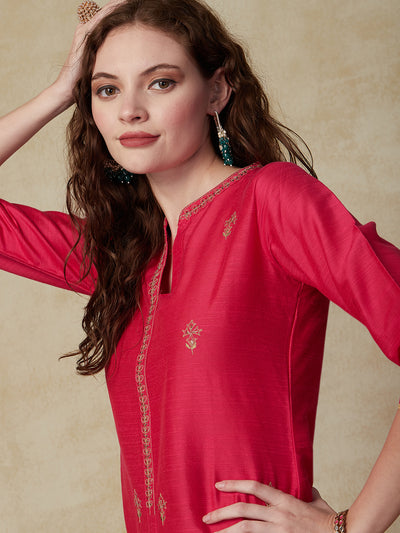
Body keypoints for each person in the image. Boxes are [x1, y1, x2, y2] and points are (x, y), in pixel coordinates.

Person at [0, 0, 399, 531]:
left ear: (216, 91)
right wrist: (58, 91)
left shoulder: (272, 202)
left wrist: (353, 525)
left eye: (160, 83)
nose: (130, 110)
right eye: (107, 89)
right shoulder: (120, 252)